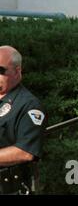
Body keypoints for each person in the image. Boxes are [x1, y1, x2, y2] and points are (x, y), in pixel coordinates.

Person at [0, 46, 46, 195]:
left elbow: (25, 152)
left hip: (9, 187)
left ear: (17, 71)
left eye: (0, 71)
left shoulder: (29, 105)